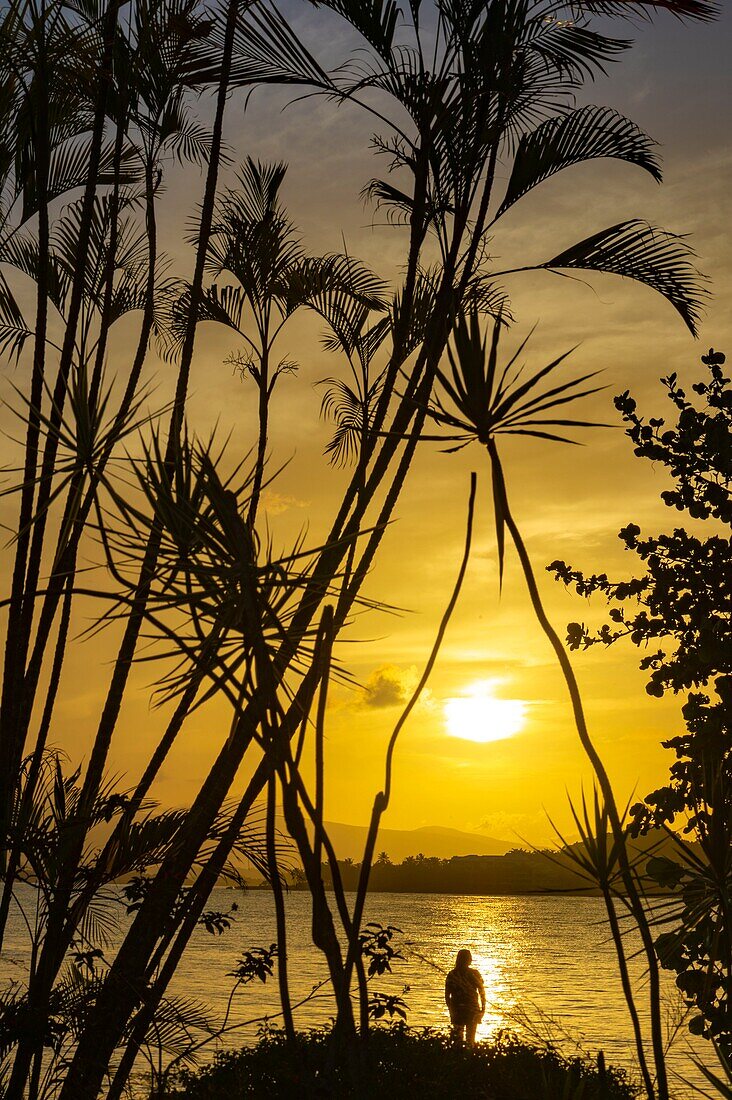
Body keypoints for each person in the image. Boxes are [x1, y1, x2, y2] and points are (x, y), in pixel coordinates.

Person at [444, 948, 485, 1047]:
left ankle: (459, 1057)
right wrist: (483, 1009)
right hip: (471, 1010)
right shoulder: (474, 974)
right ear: (467, 959)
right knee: (470, 1040)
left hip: (457, 1010)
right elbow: (482, 992)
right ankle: (469, 1058)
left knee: (457, 1040)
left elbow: (447, 996)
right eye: (469, 957)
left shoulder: (452, 974)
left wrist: (451, 1009)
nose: (471, 959)